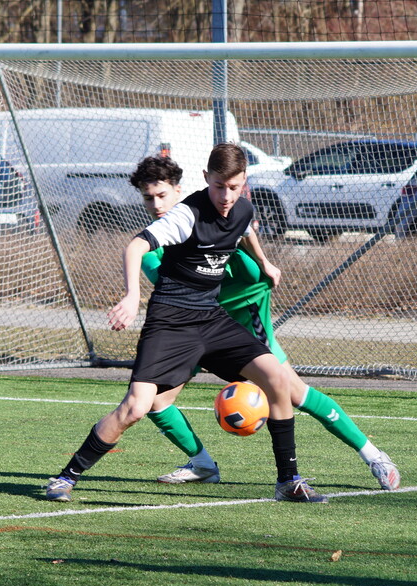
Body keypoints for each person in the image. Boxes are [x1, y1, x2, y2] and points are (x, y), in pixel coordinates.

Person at [44, 143, 328, 504]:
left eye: (234, 187)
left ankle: (288, 482)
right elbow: (136, 247)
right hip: (171, 320)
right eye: (219, 187)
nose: (226, 196)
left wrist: (264, 262)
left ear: (244, 182)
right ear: (206, 178)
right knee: (136, 407)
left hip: (211, 317)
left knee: (277, 378)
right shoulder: (186, 215)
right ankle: (66, 477)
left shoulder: (243, 208)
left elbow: (245, 230)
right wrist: (131, 296)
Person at [129, 154, 400, 491]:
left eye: (162, 195)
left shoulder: (210, 215)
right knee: (154, 401)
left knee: (293, 392)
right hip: (194, 325)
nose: (156, 204)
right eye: (148, 198)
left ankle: (374, 456)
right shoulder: (152, 246)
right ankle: (202, 464)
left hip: (244, 314)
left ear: (179, 191)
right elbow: (177, 286)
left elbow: (245, 249)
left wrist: (264, 262)